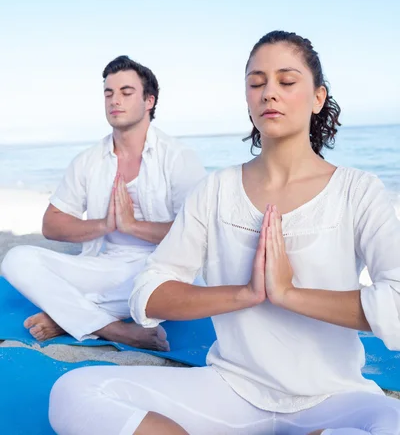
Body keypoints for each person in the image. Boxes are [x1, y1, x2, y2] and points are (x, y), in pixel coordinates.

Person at [48, 32, 400, 434]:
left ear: (318, 97)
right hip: (230, 393)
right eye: (256, 83)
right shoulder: (217, 190)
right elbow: (149, 291)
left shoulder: (357, 190)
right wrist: (245, 294)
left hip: (334, 400)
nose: (269, 93)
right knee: (74, 392)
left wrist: (289, 295)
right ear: (248, 98)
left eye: (286, 82)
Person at [2, 55, 206, 351]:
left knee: (187, 286)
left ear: (149, 101)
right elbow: (51, 224)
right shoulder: (88, 161)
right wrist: (105, 224)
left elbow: (198, 234)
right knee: (16, 259)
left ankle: (68, 317)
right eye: (108, 93)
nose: (114, 101)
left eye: (126, 92)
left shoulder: (178, 157)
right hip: (102, 267)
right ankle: (114, 330)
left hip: (162, 268)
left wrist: (133, 226)